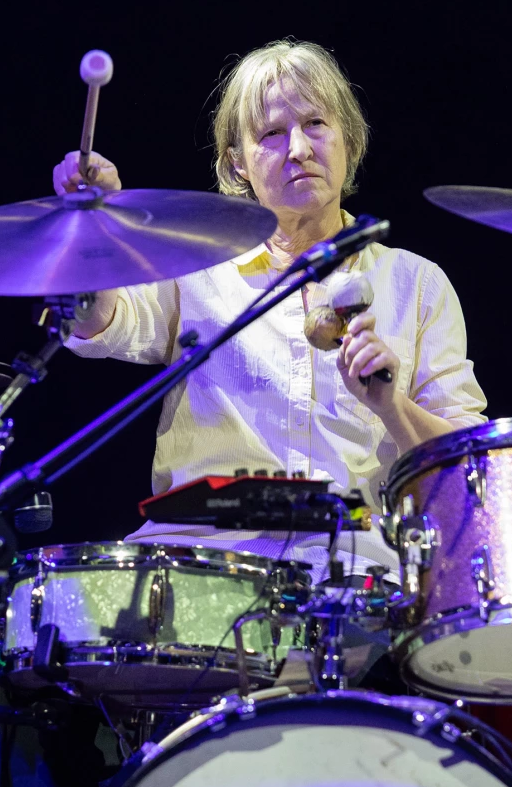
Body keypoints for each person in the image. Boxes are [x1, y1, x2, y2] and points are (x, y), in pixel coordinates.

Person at [53, 39, 487, 582]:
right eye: (271, 134)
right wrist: (95, 227)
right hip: (200, 566)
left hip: (352, 577)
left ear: (348, 140)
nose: (299, 148)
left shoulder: (416, 284)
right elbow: (95, 324)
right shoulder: (197, 266)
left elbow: (467, 473)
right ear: (237, 162)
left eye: (315, 124)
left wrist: (390, 404)